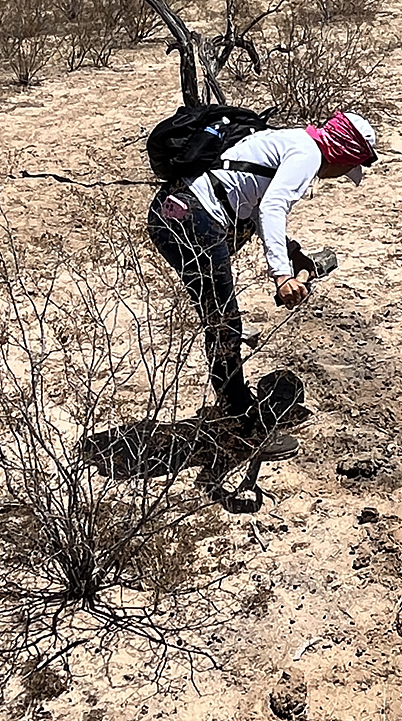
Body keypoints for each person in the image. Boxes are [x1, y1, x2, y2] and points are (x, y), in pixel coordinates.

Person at [148, 109, 379, 460]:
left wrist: (293, 253)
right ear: (343, 153)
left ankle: (234, 407)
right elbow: (273, 205)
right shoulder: (309, 154)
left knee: (219, 319)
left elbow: (252, 198)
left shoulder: (290, 139)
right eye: (345, 168)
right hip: (195, 220)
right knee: (224, 323)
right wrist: (283, 275)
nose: (337, 176)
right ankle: (240, 426)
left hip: (172, 211)